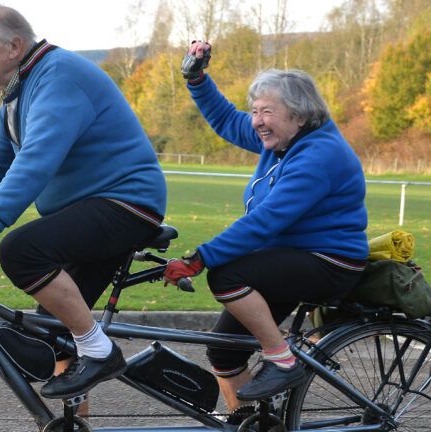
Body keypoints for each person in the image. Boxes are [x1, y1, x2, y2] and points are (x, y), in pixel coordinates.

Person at [0, 5, 166, 400]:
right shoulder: (20, 89)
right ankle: (71, 407)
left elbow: (36, 160)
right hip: (90, 209)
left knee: (21, 251)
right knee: (55, 337)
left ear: (14, 46)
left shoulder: (57, 77)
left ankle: (101, 353)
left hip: (125, 204)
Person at [165, 41, 368, 422]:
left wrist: (201, 257)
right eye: (256, 111)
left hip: (330, 261)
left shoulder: (319, 155)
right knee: (225, 351)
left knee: (227, 274)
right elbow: (227, 119)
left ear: (300, 116)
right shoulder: (281, 139)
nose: (257, 120)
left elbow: (266, 221)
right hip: (292, 256)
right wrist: (196, 79)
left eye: (267, 112)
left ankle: (283, 360)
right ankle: (252, 424)